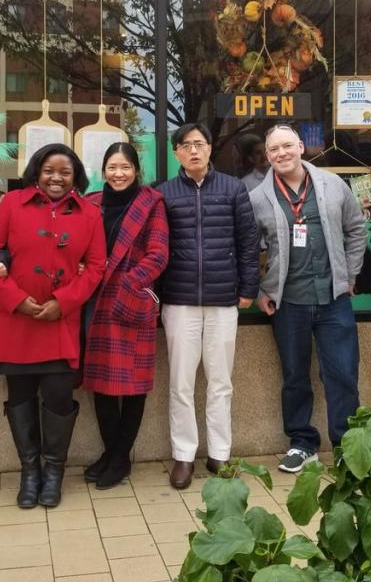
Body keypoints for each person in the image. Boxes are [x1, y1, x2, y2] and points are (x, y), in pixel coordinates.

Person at [0, 143, 105, 508]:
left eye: (65, 172)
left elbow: (96, 267)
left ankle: (54, 473)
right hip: (15, 320)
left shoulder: (89, 214)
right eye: (49, 170)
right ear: (36, 171)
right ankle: (29, 472)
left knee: (59, 397)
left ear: (76, 177)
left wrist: (63, 302)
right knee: (19, 397)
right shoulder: (11, 203)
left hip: (59, 321)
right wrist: (16, 299)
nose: (56, 178)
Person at [250, 125, 367, 473]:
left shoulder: (333, 185)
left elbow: (356, 229)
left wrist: (350, 274)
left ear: (301, 147)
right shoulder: (258, 198)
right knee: (295, 376)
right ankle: (302, 443)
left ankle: (347, 445)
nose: (282, 153)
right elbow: (248, 249)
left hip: (334, 299)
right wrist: (260, 290)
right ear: (267, 156)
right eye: (274, 149)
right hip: (288, 302)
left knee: (343, 374)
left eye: (287, 145)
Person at [158, 122, 259, 489]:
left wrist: (248, 287)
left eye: (199, 143)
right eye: (185, 145)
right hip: (179, 300)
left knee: (220, 382)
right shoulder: (163, 193)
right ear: (176, 152)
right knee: (181, 383)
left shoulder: (233, 188)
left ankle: (219, 454)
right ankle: (184, 455)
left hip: (223, 300)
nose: (193, 150)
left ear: (210, 147)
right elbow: (155, 247)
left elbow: (248, 242)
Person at [82, 143, 169, 489]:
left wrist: (128, 283)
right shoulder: (90, 203)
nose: (118, 174)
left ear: (136, 170)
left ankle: (120, 458)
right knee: (100, 383)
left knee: (132, 386)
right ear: (103, 170)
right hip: (94, 301)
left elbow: (158, 254)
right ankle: (111, 453)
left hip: (130, 300)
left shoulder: (151, 204)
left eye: (125, 167)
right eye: (112, 167)